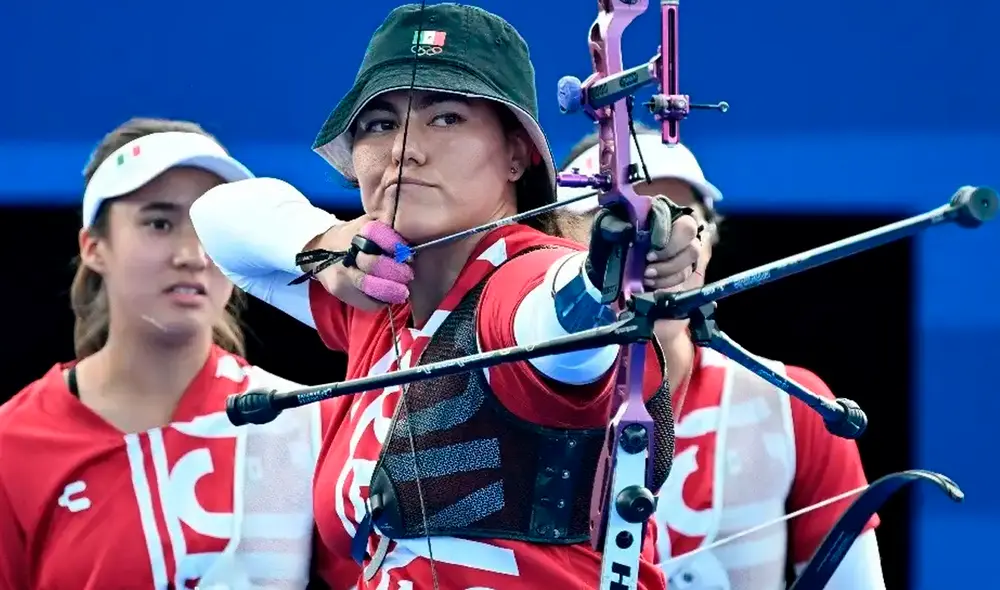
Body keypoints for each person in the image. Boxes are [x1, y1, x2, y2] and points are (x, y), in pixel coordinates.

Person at [189, 4, 706, 589]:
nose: (405, 150)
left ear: (518, 154)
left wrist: (608, 272)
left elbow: (557, 324)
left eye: (447, 118)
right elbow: (215, 216)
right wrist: (326, 245)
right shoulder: (377, 297)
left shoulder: (521, 280)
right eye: (380, 124)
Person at [0, 118, 328, 590]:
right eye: (159, 222)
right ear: (94, 247)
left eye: (209, 230)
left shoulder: (304, 421)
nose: (192, 254)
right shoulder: (14, 443)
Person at [556, 127, 886, 590]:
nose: (658, 248)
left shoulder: (796, 405)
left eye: (681, 224)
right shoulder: (496, 396)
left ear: (709, 244)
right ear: (561, 246)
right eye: (621, 225)